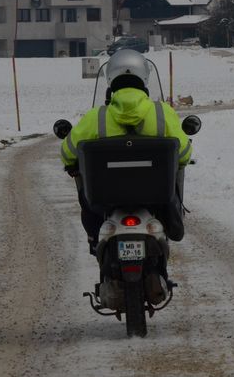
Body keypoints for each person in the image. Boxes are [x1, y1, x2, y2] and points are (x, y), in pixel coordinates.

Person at [60, 49, 192, 253]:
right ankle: (173, 226)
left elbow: (68, 151)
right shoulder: (162, 112)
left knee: (85, 197)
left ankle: (94, 238)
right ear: (144, 78)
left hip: (106, 199)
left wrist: (71, 164)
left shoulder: (96, 116)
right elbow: (183, 154)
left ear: (110, 79)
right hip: (154, 196)